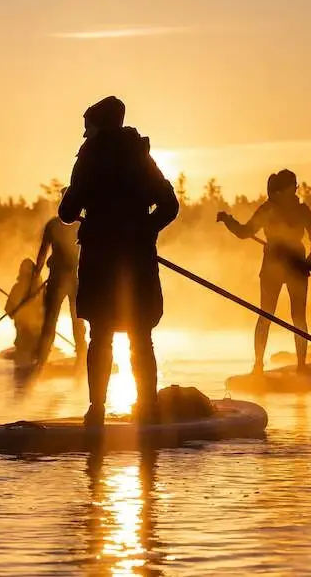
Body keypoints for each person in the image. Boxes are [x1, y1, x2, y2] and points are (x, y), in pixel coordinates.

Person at [59, 96, 179, 427]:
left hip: (101, 260)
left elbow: (68, 212)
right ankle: (149, 409)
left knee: (101, 335)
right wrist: (145, 232)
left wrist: (69, 199)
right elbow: (169, 205)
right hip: (138, 260)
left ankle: (96, 410)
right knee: (141, 335)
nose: (86, 135)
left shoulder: (90, 156)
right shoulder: (141, 158)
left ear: (97, 127)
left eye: (88, 129)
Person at [218, 169, 311, 374]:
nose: (294, 191)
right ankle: (258, 365)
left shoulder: (302, 211)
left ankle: (302, 366)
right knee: (265, 315)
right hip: (272, 264)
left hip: (296, 266)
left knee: (298, 318)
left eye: (294, 187)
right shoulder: (268, 209)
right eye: (292, 187)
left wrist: (309, 262)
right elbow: (245, 232)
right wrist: (228, 220)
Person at [30, 213, 88, 370]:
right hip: (63, 277)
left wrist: (37, 271)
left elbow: (44, 250)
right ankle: (44, 355)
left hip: (73, 277)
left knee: (71, 317)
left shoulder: (75, 224)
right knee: (59, 317)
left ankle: (79, 354)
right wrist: (36, 272)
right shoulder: (66, 224)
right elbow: (44, 250)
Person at [5, 258, 46, 365]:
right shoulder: (19, 288)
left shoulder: (40, 289)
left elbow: (48, 308)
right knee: (25, 352)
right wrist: (15, 310)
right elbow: (9, 309)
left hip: (36, 330)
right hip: (24, 330)